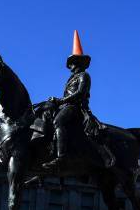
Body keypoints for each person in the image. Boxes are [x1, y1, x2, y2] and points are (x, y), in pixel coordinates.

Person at [42, 30, 114, 169]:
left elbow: (80, 93)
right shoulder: (71, 79)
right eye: (71, 64)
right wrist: (55, 101)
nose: (70, 67)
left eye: (73, 63)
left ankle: (61, 157)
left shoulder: (84, 76)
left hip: (76, 107)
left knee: (58, 121)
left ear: (79, 63)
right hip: (66, 106)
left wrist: (61, 101)